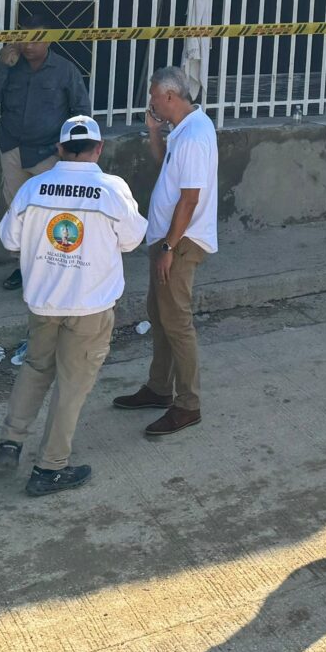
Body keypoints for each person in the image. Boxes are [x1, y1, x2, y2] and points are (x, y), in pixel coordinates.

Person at [0, 115, 146, 496]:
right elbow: (132, 240)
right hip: (90, 306)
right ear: (99, 148)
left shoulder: (33, 188)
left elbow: (9, 240)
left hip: (43, 303)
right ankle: (50, 467)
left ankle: (10, 442)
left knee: (35, 367)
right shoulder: (112, 190)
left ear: (59, 149)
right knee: (72, 385)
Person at [113, 66, 218, 440]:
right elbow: (168, 168)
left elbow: (190, 199)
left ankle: (188, 404)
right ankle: (159, 388)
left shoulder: (194, 136)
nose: (151, 102)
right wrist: (155, 132)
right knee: (159, 315)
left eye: (154, 96)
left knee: (176, 321)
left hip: (181, 242)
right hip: (168, 240)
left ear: (170, 96)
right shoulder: (184, 130)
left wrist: (169, 247)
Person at [0, 9, 93, 290]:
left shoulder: (64, 70)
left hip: (49, 153)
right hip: (13, 149)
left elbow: (81, 112)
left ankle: (55, 269)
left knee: (55, 212)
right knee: (18, 212)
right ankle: (24, 267)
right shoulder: (11, 66)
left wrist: (71, 151)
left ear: (49, 40)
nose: (28, 45)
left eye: (35, 39)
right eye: (23, 38)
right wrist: (2, 66)